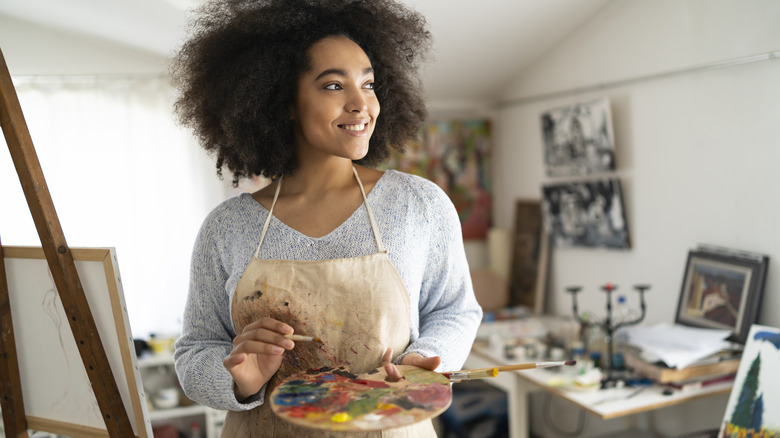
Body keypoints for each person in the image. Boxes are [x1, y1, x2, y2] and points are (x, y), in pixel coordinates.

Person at [171, 0, 483, 436]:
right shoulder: (226, 227)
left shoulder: (419, 204)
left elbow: (455, 310)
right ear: (283, 102)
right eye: (334, 86)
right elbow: (196, 349)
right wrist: (236, 378)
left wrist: (421, 363)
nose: (361, 104)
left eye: (369, 84)